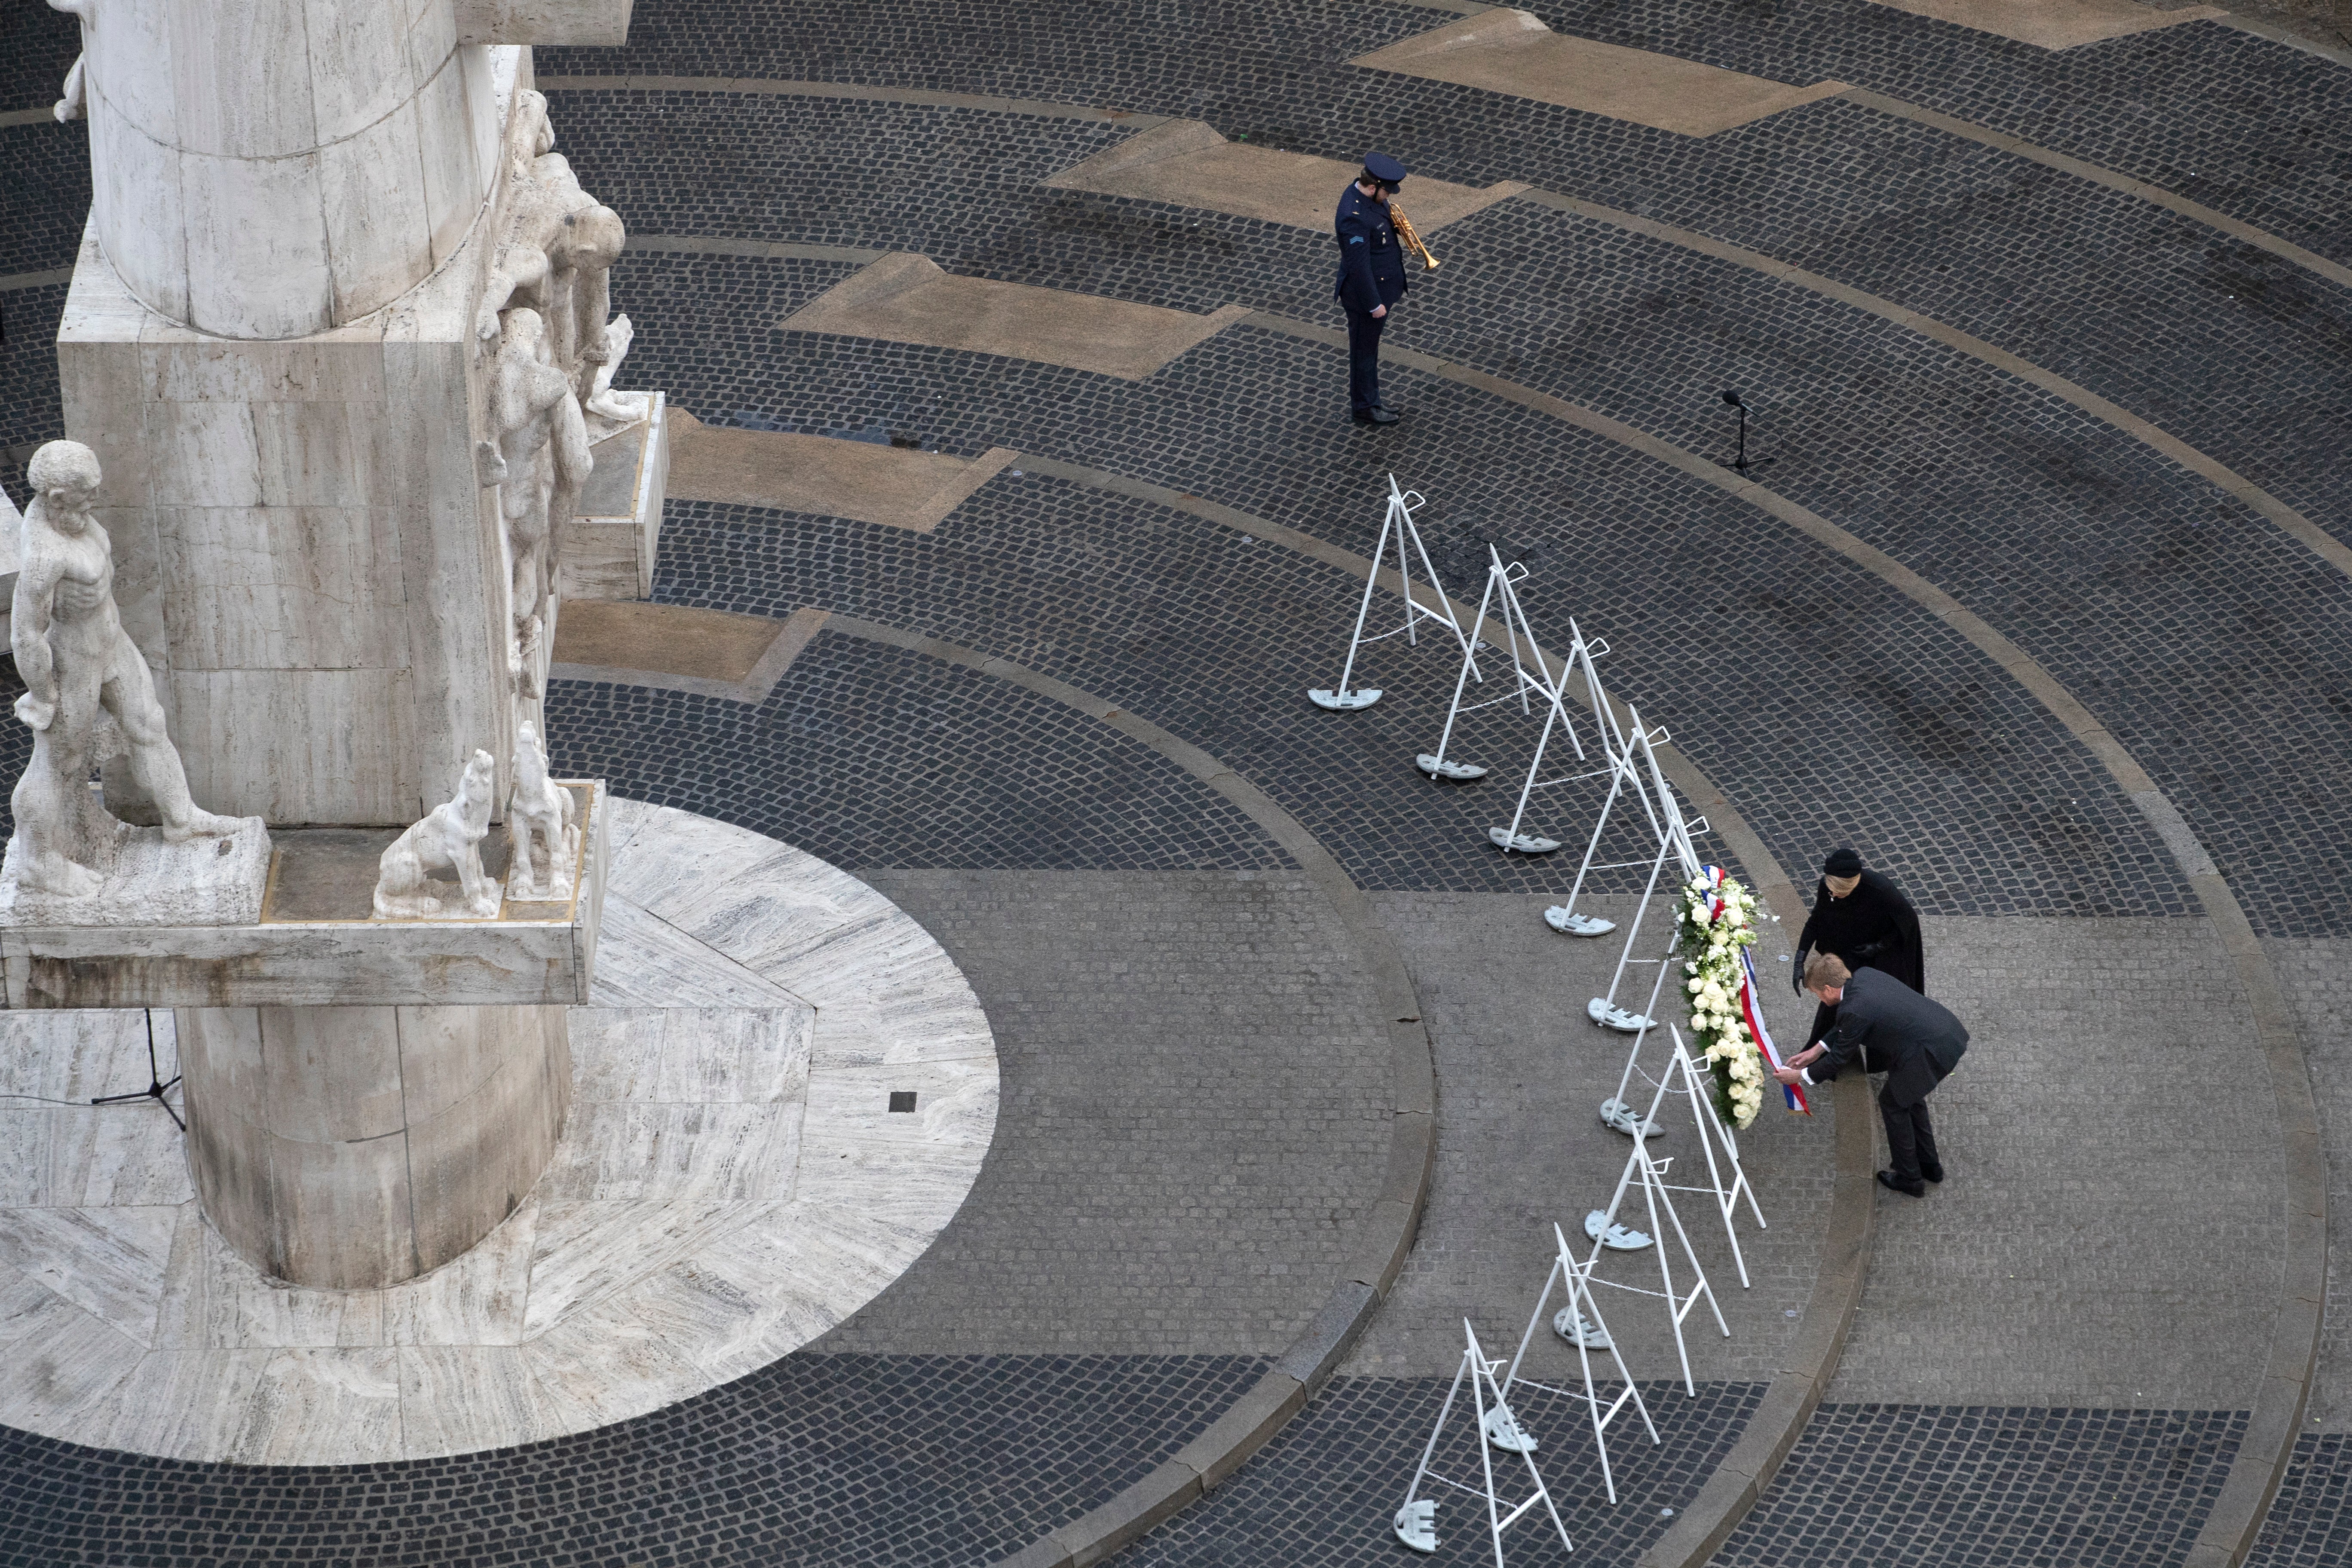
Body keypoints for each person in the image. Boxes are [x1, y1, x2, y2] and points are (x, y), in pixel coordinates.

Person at [1774, 953, 1966, 1196]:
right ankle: (1930, 1166)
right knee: (1909, 1098)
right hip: (1942, 1034)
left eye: (1817, 994)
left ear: (1828, 989)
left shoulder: (1853, 1009)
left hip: (1928, 1052)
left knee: (1893, 1104)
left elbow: (1839, 1059)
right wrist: (1816, 1050)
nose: (1820, 1000)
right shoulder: (1864, 976)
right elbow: (1849, 1026)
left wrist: (1800, 1076)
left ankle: (1911, 1179)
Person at [1791, 846, 1923, 1049]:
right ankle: (1824, 1052)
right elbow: (1815, 921)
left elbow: (1908, 924)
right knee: (1834, 998)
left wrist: (1878, 946)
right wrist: (1799, 960)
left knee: (1881, 1003)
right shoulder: (1827, 888)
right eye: (1832, 890)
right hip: (1848, 950)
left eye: (1841, 892)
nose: (1834, 894)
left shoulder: (1881, 890)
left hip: (1878, 953)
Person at [1334, 153, 1410, 426]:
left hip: (1384, 288)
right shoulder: (1353, 217)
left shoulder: (1369, 198)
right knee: (1364, 354)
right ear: (1371, 187)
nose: (1389, 196)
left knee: (1370, 350)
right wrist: (1373, 304)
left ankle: (1371, 400)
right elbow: (1359, 268)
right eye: (1386, 191)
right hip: (1367, 297)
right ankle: (1365, 407)